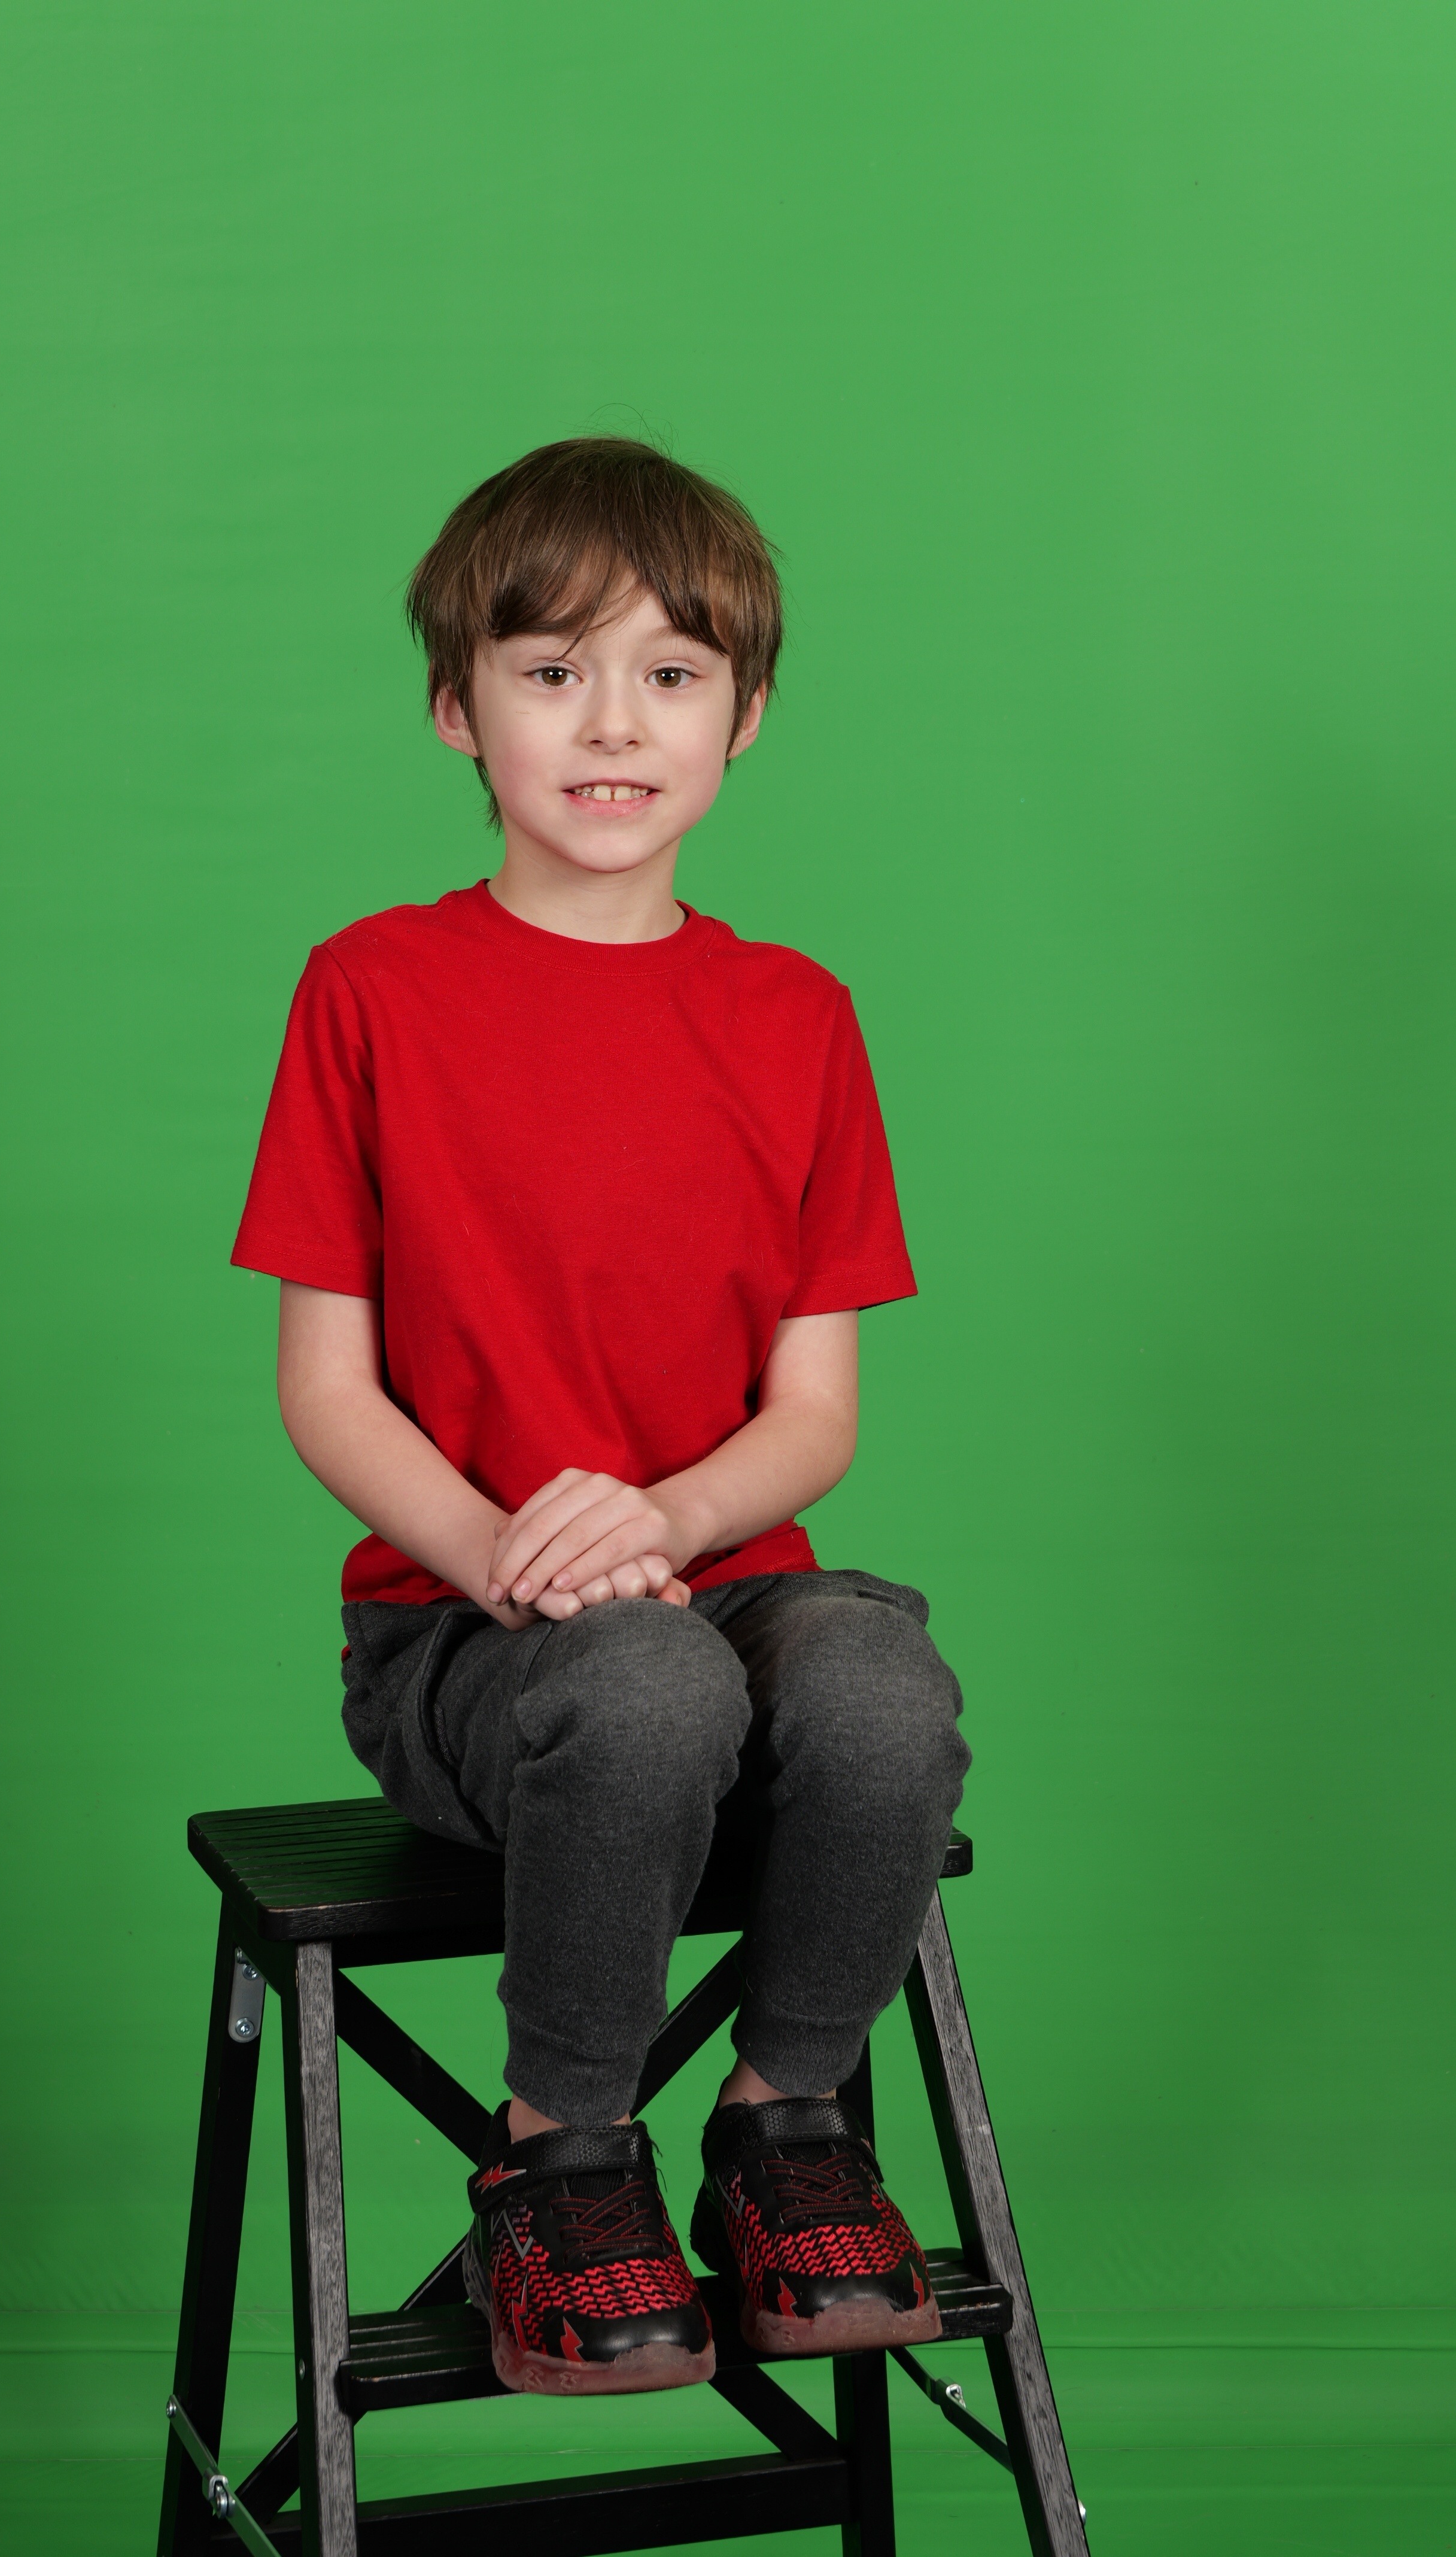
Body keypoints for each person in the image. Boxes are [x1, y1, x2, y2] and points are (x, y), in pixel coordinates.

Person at [232, 437, 970, 2397]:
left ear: (748, 714)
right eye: (551, 672)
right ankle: (558, 2154)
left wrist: (663, 1518)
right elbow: (328, 1385)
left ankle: (785, 2124)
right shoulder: (372, 991)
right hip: (467, 1637)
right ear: (455, 707)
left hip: (725, 1579)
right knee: (643, 1688)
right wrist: (508, 1556)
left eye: (671, 673)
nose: (613, 724)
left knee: (884, 1694)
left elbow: (814, 1418)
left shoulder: (798, 1016)